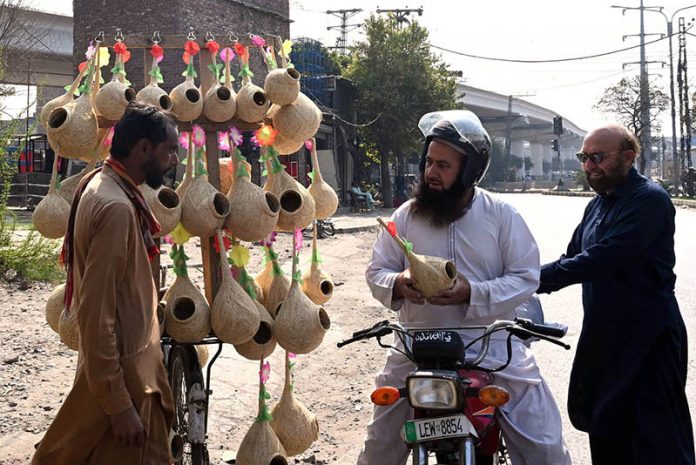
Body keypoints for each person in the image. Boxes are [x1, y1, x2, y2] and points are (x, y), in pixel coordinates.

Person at [359, 110, 571, 465]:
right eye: (429, 162)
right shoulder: (406, 217)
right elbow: (376, 271)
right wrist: (398, 283)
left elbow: (525, 277)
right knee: (379, 445)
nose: (431, 173)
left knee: (544, 446)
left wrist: (472, 291)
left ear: (470, 170)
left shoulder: (502, 216)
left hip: (488, 345)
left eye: (443, 165)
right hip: (415, 346)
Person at [32, 103, 180, 465]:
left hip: (128, 378)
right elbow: (96, 316)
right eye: (170, 150)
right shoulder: (115, 207)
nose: (174, 159)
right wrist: (118, 406)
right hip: (128, 388)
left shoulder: (101, 183)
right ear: (143, 148)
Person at [538, 124, 695, 465]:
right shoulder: (596, 206)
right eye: (584, 157)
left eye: (598, 157)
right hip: (605, 339)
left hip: (649, 339)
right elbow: (572, 257)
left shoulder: (649, 200)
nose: (590, 166)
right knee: (607, 430)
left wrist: (530, 281)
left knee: (658, 440)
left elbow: (601, 258)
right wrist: (517, 278)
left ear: (628, 157)